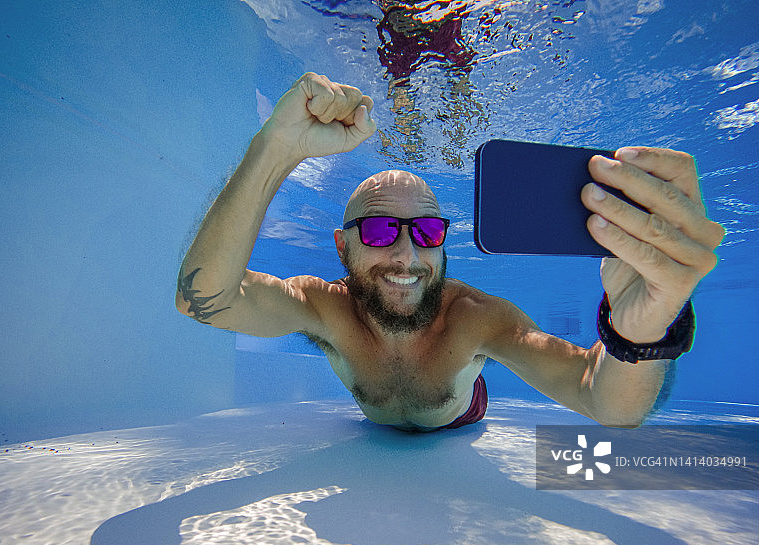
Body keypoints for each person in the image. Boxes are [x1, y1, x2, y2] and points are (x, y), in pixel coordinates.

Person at [176, 72, 724, 432]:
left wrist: (642, 332)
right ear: (342, 246)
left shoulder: (477, 322)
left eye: (428, 232)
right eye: (380, 232)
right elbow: (204, 297)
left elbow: (605, 401)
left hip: (466, 414)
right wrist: (274, 148)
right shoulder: (324, 308)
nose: (408, 258)